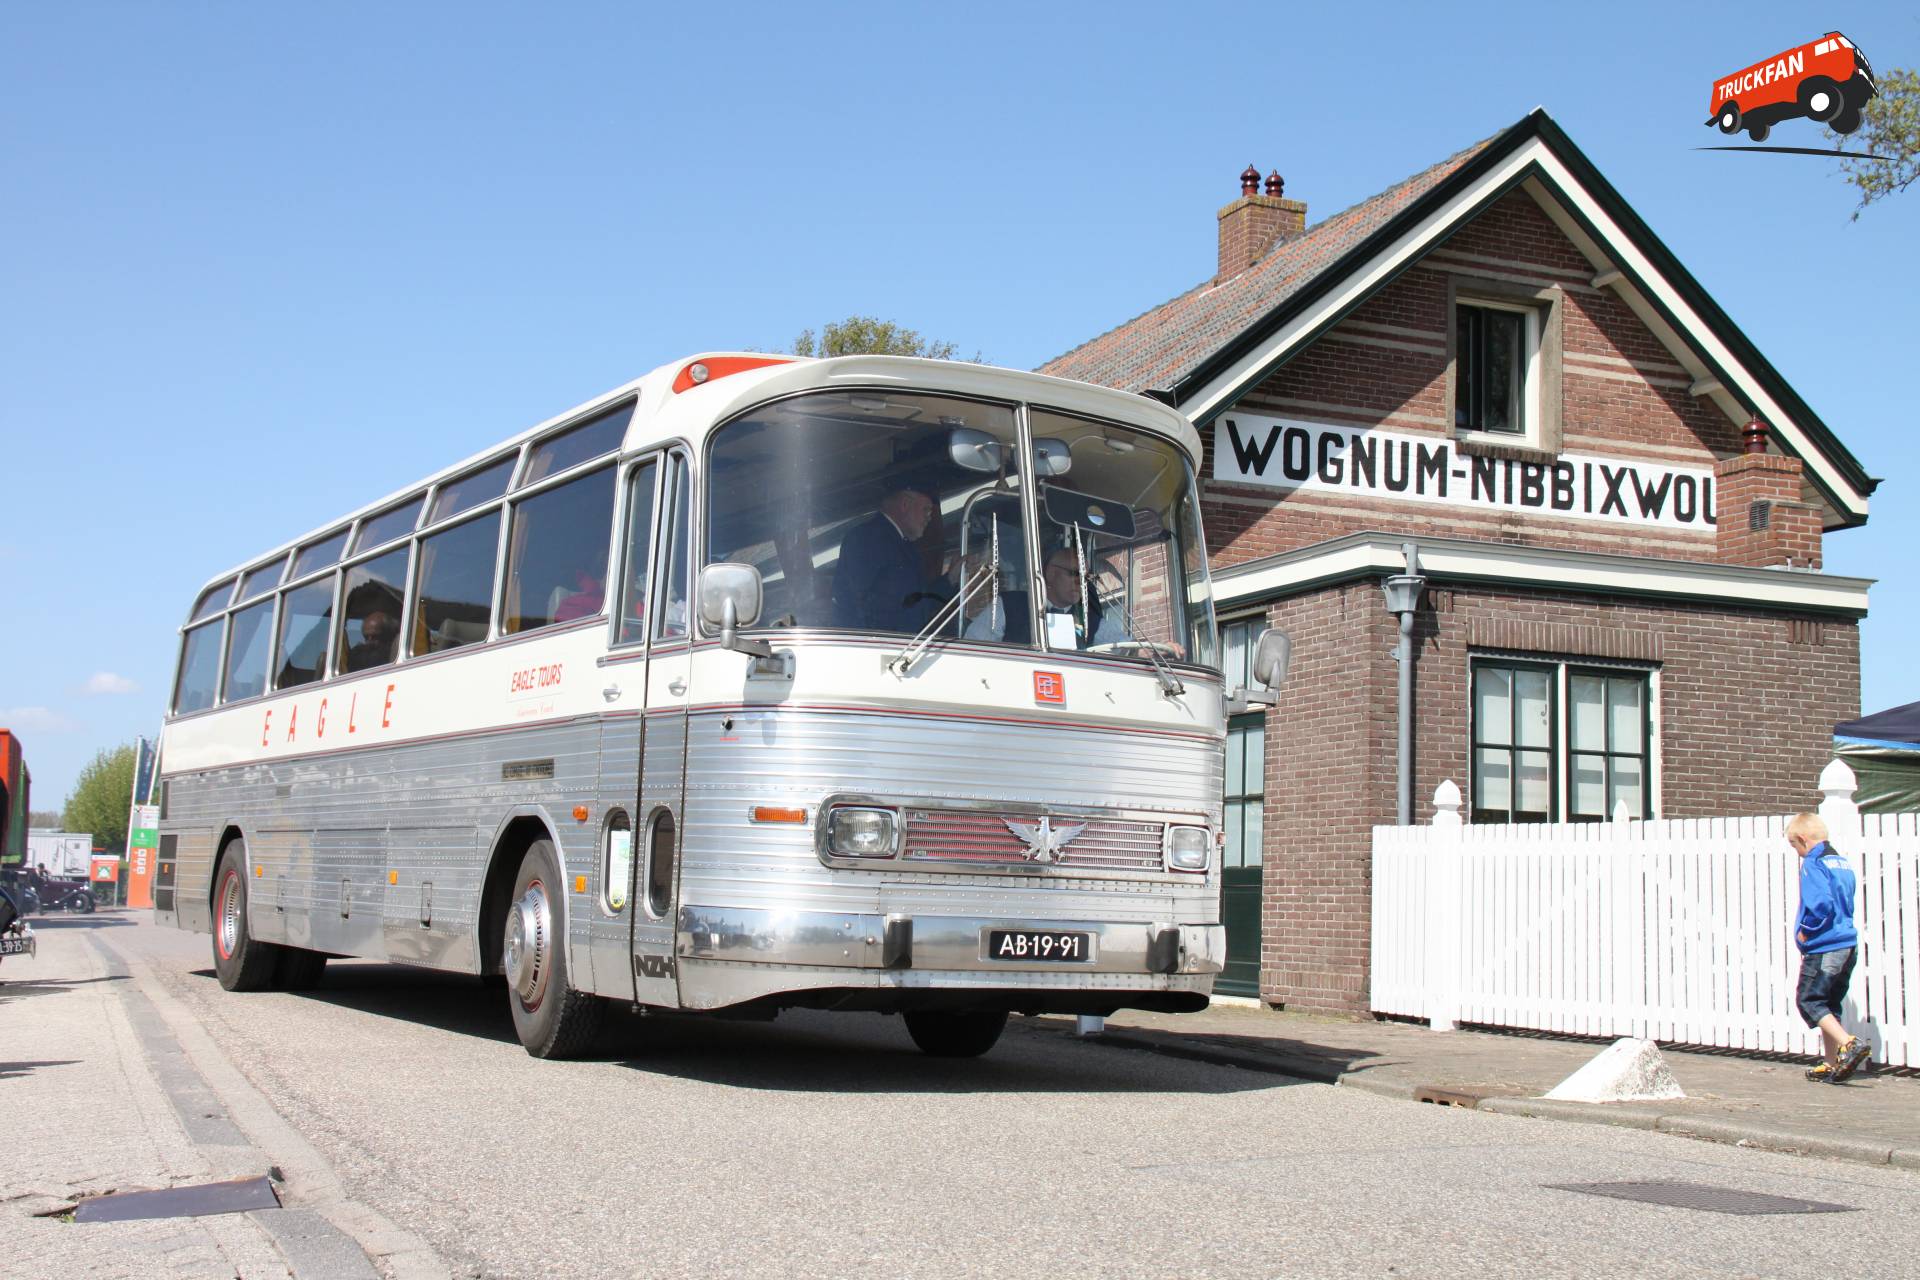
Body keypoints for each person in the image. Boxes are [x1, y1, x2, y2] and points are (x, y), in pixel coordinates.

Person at [1788, 812, 1870, 1083]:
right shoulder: (1841, 862)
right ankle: (1831, 1061)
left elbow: (1820, 904)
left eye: (1795, 847)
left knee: (1809, 999)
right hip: (1848, 943)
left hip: (1825, 945)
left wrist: (1805, 933)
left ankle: (1849, 1043)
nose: (1798, 853)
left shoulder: (1814, 863)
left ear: (1802, 839)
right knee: (1829, 1002)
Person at [965, 544, 1126, 649]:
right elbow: (974, 647)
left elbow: (1126, 648)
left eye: (1085, 577)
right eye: (1074, 574)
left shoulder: (1089, 620)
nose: (1081, 582)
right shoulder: (1008, 606)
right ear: (1050, 574)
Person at [831, 486, 939, 633]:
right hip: (876, 647)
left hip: (902, 648)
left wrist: (951, 579)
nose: (929, 517)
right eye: (926, 509)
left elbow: (916, 602)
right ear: (905, 505)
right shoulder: (867, 538)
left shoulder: (906, 546)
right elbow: (858, 603)